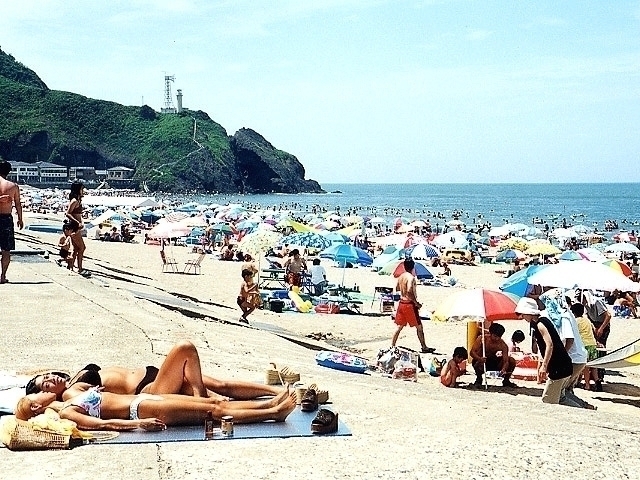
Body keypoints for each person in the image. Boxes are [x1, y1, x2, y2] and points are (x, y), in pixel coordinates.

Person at [25, 340, 284, 402]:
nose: (51, 379)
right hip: (148, 389)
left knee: (220, 384)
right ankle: (203, 406)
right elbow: (99, 402)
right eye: (46, 384)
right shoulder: (72, 393)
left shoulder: (72, 378)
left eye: (47, 375)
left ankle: (278, 391)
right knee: (186, 349)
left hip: (151, 374)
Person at [15, 387, 297, 430]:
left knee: (215, 403)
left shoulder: (69, 397)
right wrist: (140, 423)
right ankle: (273, 414)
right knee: (211, 414)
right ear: (37, 406)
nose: (41, 391)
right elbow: (103, 425)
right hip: (141, 411)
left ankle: (270, 403)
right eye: (36, 395)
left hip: (143, 401)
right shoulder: (66, 412)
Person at [515, 298, 572, 404]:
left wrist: (544, 366)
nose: (522, 317)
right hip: (564, 365)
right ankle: (585, 407)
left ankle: (585, 409)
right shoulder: (543, 321)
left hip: (558, 367)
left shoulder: (540, 324)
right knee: (561, 399)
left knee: (548, 400)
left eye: (523, 314)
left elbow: (549, 345)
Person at [391, 258, 434, 354]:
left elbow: (397, 288)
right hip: (409, 304)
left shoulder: (401, 276)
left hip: (401, 303)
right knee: (419, 327)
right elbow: (409, 291)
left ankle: (392, 345)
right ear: (413, 266)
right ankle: (424, 347)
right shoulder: (411, 277)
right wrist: (416, 303)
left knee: (399, 326)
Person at [470, 322, 517, 388]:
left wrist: (504, 368)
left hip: (493, 362)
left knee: (511, 360)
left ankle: (506, 381)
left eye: (499, 337)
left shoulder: (502, 345)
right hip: (481, 361)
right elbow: (472, 352)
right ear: (490, 333)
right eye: (495, 336)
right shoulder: (482, 339)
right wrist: (479, 358)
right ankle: (479, 378)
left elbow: (506, 361)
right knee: (476, 362)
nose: (497, 339)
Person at [0, 160, 24, 284]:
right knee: (6, 250)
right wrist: (20, 219)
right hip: (5, 218)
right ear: (9, 172)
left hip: (5, 218)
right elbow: (18, 205)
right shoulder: (13, 186)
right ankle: (2, 276)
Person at [570, 302, 599, 391]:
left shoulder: (576, 321)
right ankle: (597, 382)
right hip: (592, 344)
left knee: (585, 367)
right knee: (593, 366)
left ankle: (587, 385)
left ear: (573, 313)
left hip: (584, 345)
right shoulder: (587, 319)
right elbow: (594, 329)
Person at [65, 181, 88, 276]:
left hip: (76, 226)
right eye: (82, 189)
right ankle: (80, 268)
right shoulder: (74, 201)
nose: (83, 191)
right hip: (74, 227)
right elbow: (68, 213)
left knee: (76, 248)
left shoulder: (78, 200)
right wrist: (77, 222)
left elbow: (77, 214)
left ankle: (70, 266)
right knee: (82, 247)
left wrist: (81, 221)